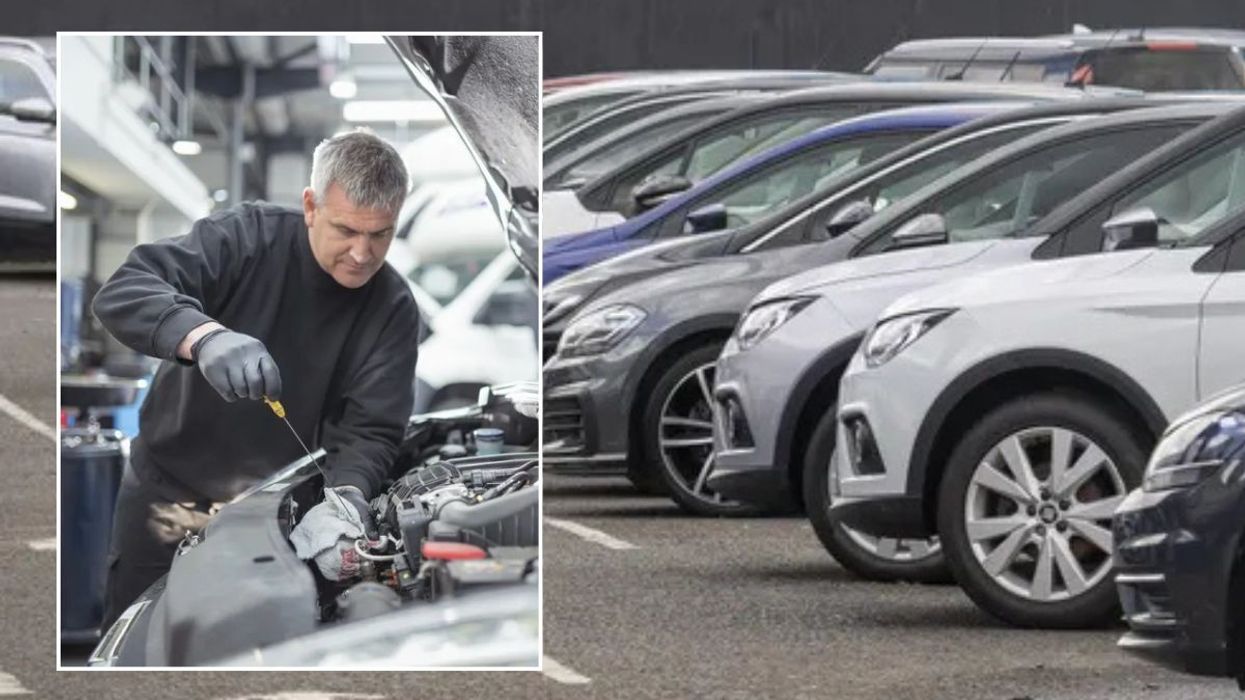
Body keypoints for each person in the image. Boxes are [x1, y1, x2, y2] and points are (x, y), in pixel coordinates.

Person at [93, 129, 420, 630]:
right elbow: (125, 290)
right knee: (139, 638)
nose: (362, 253)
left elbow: (371, 430)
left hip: (277, 520)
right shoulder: (245, 238)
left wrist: (348, 498)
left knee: (250, 644)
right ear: (311, 206)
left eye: (380, 234)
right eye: (346, 230)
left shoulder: (392, 308)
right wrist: (201, 337)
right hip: (169, 497)